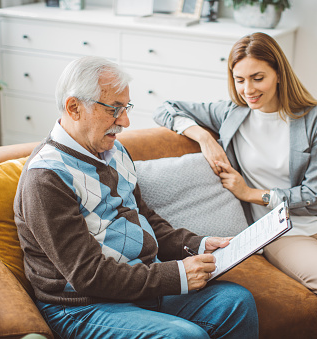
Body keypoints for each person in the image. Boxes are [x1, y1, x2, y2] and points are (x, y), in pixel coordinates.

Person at [153, 32, 317, 339]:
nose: (248, 90)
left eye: (258, 78)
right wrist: (205, 137)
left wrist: (252, 194)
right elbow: (164, 107)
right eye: (240, 79)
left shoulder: (314, 118)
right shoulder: (231, 113)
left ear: (279, 74)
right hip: (281, 231)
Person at [13, 56, 259, 339]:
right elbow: (87, 275)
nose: (125, 121)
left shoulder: (114, 151)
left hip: (139, 283)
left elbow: (143, 218)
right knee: (183, 337)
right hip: (83, 306)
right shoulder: (46, 178)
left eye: (125, 107)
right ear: (74, 107)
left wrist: (197, 245)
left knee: (236, 303)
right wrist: (175, 276)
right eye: (114, 109)